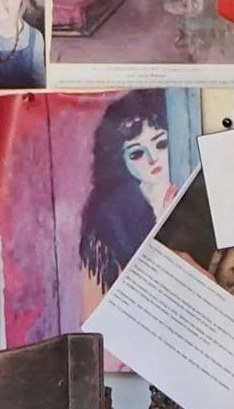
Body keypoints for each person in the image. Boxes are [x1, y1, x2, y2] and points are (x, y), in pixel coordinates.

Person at [77, 93, 181, 302]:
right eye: (137, 154)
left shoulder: (188, 188)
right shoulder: (111, 214)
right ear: (119, 159)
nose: (153, 159)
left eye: (161, 144)